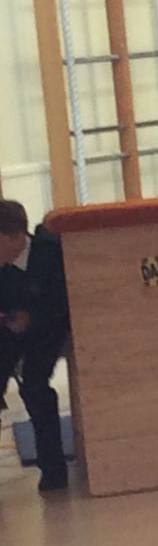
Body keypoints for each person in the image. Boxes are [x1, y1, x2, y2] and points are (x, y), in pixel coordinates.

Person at [0, 198, 70, 491]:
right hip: (7, 329)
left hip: (47, 329)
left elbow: (63, 304)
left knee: (35, 386)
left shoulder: (50, 254)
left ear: (15, 237)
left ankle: (53, 468)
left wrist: (32, 318)